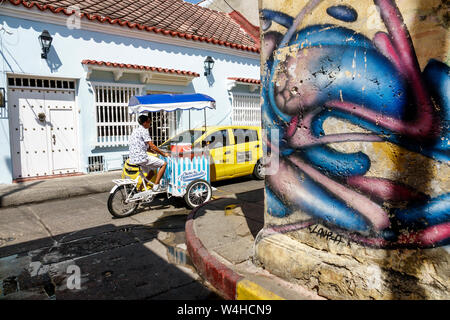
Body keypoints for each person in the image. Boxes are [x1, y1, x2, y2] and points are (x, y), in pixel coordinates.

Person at [129, 114, 169, 192]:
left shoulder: (136, 130)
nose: (150, 124)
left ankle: (139, 189)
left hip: (134, 157)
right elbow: (152, 145)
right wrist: (164, 154)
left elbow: (145, 147)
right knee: (164, 164)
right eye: (149, 122)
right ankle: (156, 185)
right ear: (144, 123)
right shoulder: (144, 130)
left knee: (151, 173)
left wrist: (156, 151)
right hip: (142, 157)